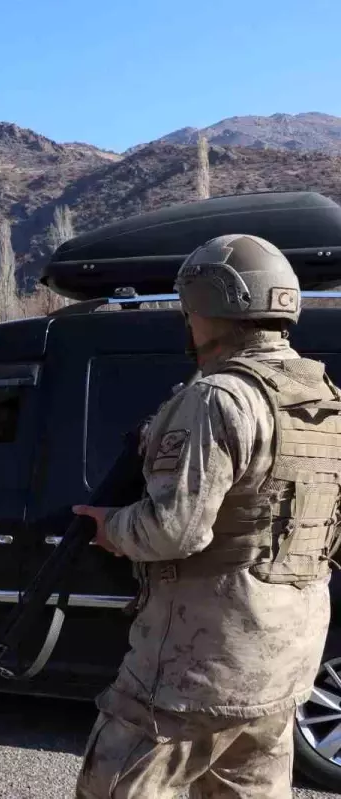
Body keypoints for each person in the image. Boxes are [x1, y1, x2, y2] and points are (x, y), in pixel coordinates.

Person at [71, 234, 341, 797]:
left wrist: (110, 527)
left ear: (208, 305)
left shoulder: (219, 397)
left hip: (199, 662)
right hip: (287, 652)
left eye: (187, 308)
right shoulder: (321, 396)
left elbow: (175, 529)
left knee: (116, 784)